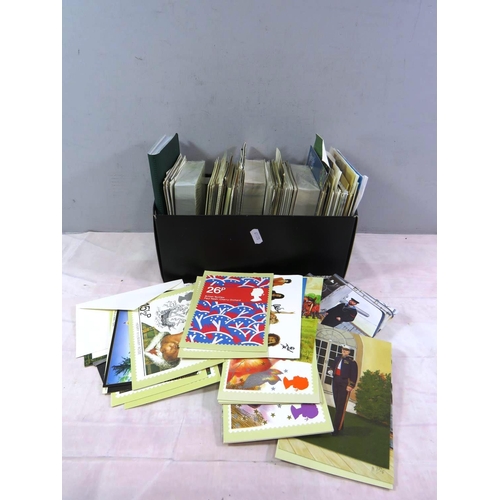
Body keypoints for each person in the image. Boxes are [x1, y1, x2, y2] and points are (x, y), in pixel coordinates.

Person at [328, 345, 358, 436]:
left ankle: (336, 428)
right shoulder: (337, 358)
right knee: (337, 403)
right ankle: (340, 424)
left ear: (349, 352)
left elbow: (354, 375)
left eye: (347, 350)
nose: (344, 351)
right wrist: (330, 370)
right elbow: (332, 366)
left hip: (344, 384)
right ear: (342, 350)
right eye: (343, 349)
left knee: (341, 406)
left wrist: (350, 385)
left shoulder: (352, 362)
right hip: (336, 381)